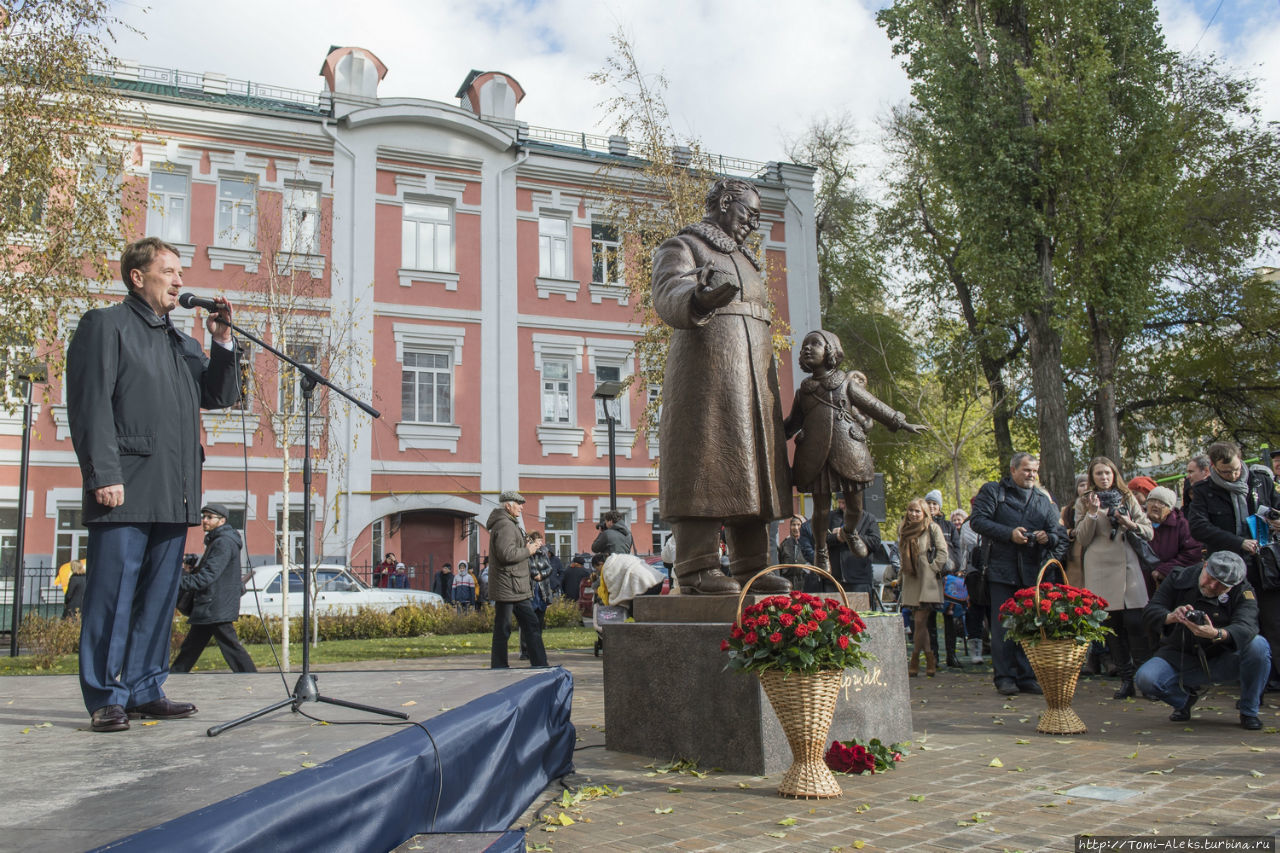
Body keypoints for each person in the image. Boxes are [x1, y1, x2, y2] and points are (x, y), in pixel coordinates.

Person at [67, 236, 240, 733]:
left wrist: (222, 341)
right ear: (138, 277)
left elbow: (220, 394)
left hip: (176, 487)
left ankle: (145, 687)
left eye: (181, 272)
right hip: (125, 485)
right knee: (112, 595)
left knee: (159, 597)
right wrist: (103, 474)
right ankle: (105, 694)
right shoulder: (106, 326)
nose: (180, 281)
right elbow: (90, 404)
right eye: (169, 271)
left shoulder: (181, 343)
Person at [651, 178, 793, 595]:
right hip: (707, 376)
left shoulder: (747, 260)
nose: (752, 223)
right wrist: (698, 295)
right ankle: (697, 568)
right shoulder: (686, 245)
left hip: (752, 378)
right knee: (706, 460)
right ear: (726, 203)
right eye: (748, 213)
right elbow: (667, 290)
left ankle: (752, 566)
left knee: (753, 470)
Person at [784, 329, 925, 576]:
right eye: (804, 345)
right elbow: (792, 423)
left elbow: (873, 405)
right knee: (820, 508)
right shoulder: (803, 391)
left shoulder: (845, 383)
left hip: (847, 449)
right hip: (815, 454)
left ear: (830, 351)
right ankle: (821, 550)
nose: (807, 348)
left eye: (815, 344)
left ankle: (849, 531)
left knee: (855, 505)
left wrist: (899, 421)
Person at [969, 452, 1069, 696]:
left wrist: (1049, 538)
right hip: (1001, 571)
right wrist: (1009, 533)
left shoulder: (1042, 499)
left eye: (1034, 471)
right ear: (1013, 470)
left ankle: (1027, 676)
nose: (1031, 475)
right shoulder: (994, 492)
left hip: (1032, 573)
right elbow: (977, 521)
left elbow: (1059, 534)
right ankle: (1004, 677)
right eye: (1026, 470)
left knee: (1030, 626)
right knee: (1003, 626)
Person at [1135, 553, 1271, 730]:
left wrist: (1217, 633)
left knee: (1258, 645)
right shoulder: (1180, 577)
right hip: (1179, 654)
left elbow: (1247, 625)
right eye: (1211, 578)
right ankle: (1184, 700)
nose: (1213, 586)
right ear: (1205, 565)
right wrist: (1171, 616)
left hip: (1222, 656)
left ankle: (1249, 711)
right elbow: (1150, 610)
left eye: (1222, 585)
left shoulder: (1244, 590)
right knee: (1146, 678)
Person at [1188, 441, 1280, 693]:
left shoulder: (1260, 480)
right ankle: (1252, 685)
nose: (1233, 475)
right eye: (1226, 472)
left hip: (1266, 566)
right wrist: (1238, 542)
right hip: (1230, 570)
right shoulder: (1204, 491)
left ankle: (1274, 678)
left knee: (1274, 622)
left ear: (1241, 460)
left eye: (1236, 470)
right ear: (1214, 467)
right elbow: (1198, 527)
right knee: (1242, 624)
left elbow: (1276, 506)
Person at [1074, 456, 1154, 700]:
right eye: (1099, 473)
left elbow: (1148, 531)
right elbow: (1081, 538)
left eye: (1107, 473)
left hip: (1128, 563)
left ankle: (1145, 679)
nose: (1104, 477)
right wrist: (1092, 513)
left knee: (1136, 623)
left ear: (1114, 474)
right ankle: (1126, 680)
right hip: (1100, 567)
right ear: (1092, 477)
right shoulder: (1084, 501)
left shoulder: (1127, 497)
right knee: (1113, 628)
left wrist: (1129, 523)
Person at [171, 503, 256, 673]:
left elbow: (208, 576)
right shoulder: (219, 540)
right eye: (204, 516)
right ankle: (175, 675)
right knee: (191, 647)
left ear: (222, 520)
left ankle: (251, 677)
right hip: (212, 605)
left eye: (210, 517)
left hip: (215, 605)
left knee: (231, 648)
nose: (204, 520)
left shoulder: (223, 543)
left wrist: (175, 582)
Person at [485, 491, 548, 669]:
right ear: (508, 505)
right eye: (518, 504)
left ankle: (501, 665)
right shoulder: (505, 525)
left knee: (508, 628)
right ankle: (539, 664)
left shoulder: (507, 523)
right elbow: (507, 554)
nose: (521, 507)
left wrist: (526, 545)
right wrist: (529, 550)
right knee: (528, 626)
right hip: (511, 587)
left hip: (512, 586)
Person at [898, 499, 948, 677]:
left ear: (925, 513)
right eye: (911, 510)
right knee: (921, 625)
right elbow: (902, 554)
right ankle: (930, 660)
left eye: (917, 511)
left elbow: (943, 551)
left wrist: (932, 568)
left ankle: (914, 659)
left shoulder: (932, 528)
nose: (913, 514)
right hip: (910, 578)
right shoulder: (903, 529)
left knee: (920, 621)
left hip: (927, 581)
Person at [1145, 485, 1203, 590]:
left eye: (1162, 503)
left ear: (1170, 509)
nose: (1155, 505)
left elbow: (1192, 553)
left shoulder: (1181, 525)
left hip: (1170, 582)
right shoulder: (1138, 523)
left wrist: (1164, 570)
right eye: (1152, 500)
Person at [825, 499, 882, 597]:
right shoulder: (830, 517)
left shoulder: (868, 518)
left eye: (844, 503)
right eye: (840, 503)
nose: (842, 506)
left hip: (859, 580)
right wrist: (837, 538)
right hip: (833, 580)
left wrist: (851, 537)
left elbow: (875, 542)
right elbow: (819, 540)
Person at [777, 515, 814, 589]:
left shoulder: (809, 544)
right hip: (788, 584)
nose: (796, 528)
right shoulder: (784, 545)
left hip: (805, 583)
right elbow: (779, 566)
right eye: (793, 525)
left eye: (798, 525)